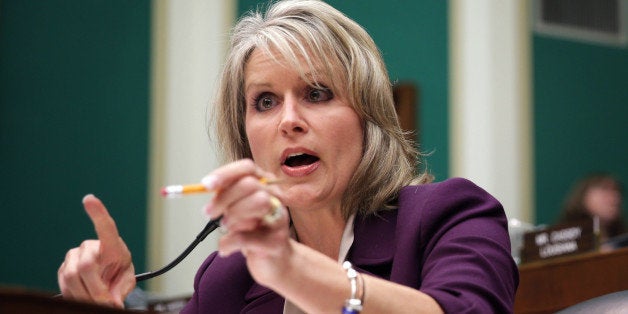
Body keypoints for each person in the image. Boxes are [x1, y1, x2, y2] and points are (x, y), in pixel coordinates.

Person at [57, 0, 518, 312]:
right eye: (264, 101)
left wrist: (293, 269)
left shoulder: (449, 215)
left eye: (317, 93)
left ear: (368, 116)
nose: (288, 120)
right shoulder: (230, 271)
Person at [558, 172, 626, 244]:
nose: (615, 198)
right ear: (583, 197)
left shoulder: (623, 237)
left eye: (617, 191)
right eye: (605, 189)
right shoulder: (560, 240)